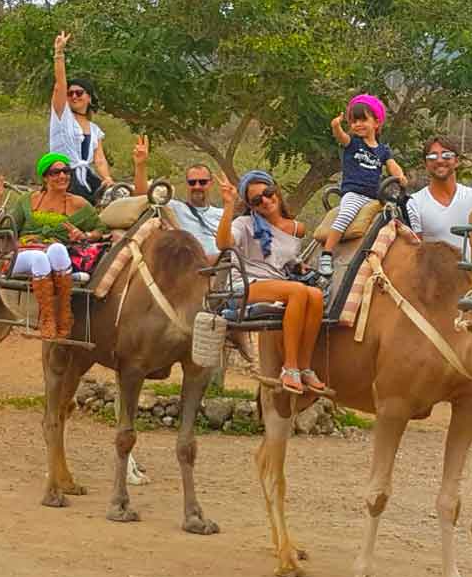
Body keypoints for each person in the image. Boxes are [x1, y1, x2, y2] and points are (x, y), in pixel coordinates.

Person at [215, 170, 326, 395]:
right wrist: (228, 206)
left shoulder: (297, 228)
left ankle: (304, 367)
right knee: (297, 292)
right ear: (252, 206)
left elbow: (284, 258)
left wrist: (296, 265)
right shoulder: (244, 224)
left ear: (275, 190)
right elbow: (223, 243)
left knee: (315, 295)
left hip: (279, 285)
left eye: (268, 193)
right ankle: (290, 367)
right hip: (246, 286)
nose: (265, 200)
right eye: (257, 200)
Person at [0, 152, 104, 340]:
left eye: (66, 171)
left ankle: (64, 314)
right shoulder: (27, 200)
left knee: (57, 249)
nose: (62, 176)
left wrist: (84, 235)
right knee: (39, 257)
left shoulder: (79, 204)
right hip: (23, 254)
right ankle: (47, 318)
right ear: (44, 177)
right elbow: (7, 228)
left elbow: (100, 229)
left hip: (55, 254)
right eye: (55, 172)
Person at [318, 94, 406, 277]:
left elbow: (391, 165)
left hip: (374, 196)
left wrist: (400, 176)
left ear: (376, 122)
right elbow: (341, 137)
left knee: (399, 214)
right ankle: (326, 254)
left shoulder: (383, 150)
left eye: (362, 119)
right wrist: (336, 126)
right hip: (354, 193)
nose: (357, 124)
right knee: (346, 215)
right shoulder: (353, 143)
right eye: (353, 121)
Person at [131, 138, 224, 259]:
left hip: (224, 267)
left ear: (210, 183)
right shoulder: (175, 208)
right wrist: (140, 165)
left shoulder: (222, 214)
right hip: (192, 267)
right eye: (192, 182)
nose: (197, 186)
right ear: (186, 184)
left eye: (202, 182)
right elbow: (143, 198)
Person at [49, 31, 113, 204]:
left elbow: (99, 159)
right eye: (70, 94)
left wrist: (107, 178)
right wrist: (59, 54)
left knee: (116, 198)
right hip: (63, 177)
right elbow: (59, 86)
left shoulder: (95, 130)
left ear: (89, 97)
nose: (74, 96)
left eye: (79, 92)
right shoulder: (62, 116)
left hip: (87, 179)